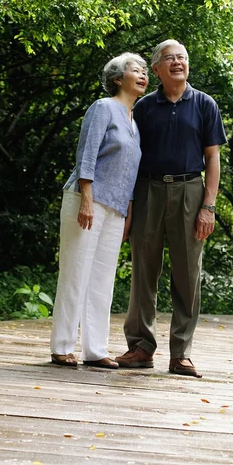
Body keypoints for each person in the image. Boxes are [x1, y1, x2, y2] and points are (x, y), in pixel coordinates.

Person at [115, 40, 227, 378]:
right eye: (170, 58)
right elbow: (130, 158)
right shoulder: (144, 107)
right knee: (143, 271)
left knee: (188, 274)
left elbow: (213, 158)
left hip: (191, 192)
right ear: (156, 69)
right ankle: (140, 346)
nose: (178, 62)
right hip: (147, 189)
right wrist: (128, 205)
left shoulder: (205, 104)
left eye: (182, 57)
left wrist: (208, 206)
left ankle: (181, 353)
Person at [50, 53, 148, 368]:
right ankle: (62, 346)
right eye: (136, 70)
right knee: (75, 274)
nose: (143, 74)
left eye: (146, 70)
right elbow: (87, 152)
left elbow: (130, 171)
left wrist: (129, 211)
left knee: (102, 280)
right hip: (86, 200)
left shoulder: (134, 122)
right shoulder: (103, 108)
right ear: (118, 78)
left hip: (117, 209)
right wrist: (87, 196)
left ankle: (96, 350)